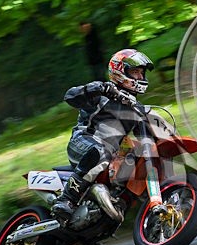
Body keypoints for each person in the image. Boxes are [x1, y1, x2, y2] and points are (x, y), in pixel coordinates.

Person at [52, 48, 155, 221]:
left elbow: (146, 140)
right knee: (102, 151)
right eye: (134, 72)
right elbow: (70, 97)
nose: (139, 77)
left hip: (110, 156)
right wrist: (98, 88)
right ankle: (67, 199)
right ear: (120, 71)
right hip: (83, 143)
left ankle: (118, 205)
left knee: (138, 161)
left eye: (141, 73)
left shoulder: (137, 110)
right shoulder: (103, 95)